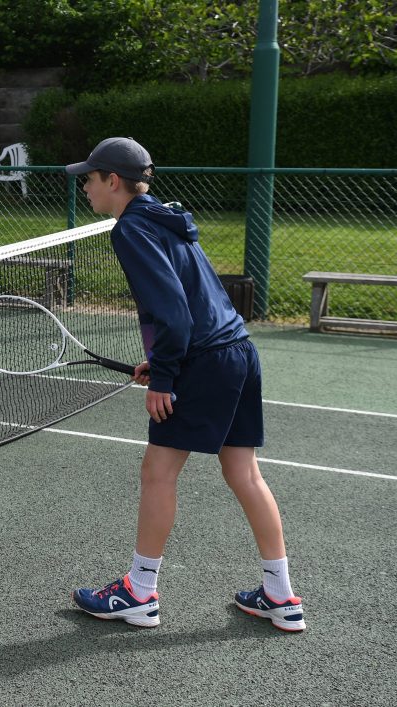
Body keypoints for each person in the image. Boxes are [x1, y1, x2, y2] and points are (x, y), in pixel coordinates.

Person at [66, 138, 304, 631]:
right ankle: (281, 597)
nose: (85, 186)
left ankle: (138, 591)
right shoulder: (166, 216)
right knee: (245, 473)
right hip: (238, 352)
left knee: (158, 472)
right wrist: (158, 360)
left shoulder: (130, 229)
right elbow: (190, 301)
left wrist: (167, 375)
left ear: (113, 181)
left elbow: (172, 309)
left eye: (89, 178)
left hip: (205, 361)